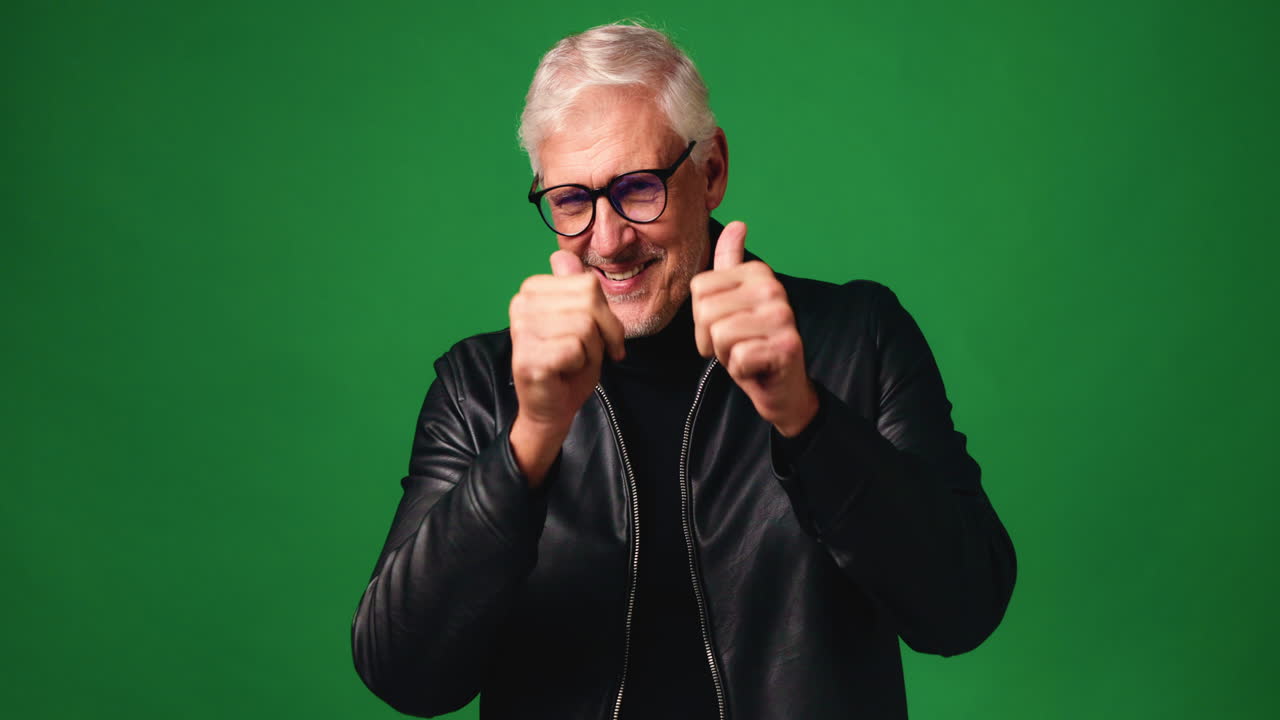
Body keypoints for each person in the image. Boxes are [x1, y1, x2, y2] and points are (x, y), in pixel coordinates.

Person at [351, 22, 1016, 720]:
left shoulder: (858, 337)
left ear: (712, 170)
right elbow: (404, 675)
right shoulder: (479, 387)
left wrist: (803, 415)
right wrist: (532, 439)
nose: (608, 242)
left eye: (638, 188)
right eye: (572, 202)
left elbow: (962, 611)